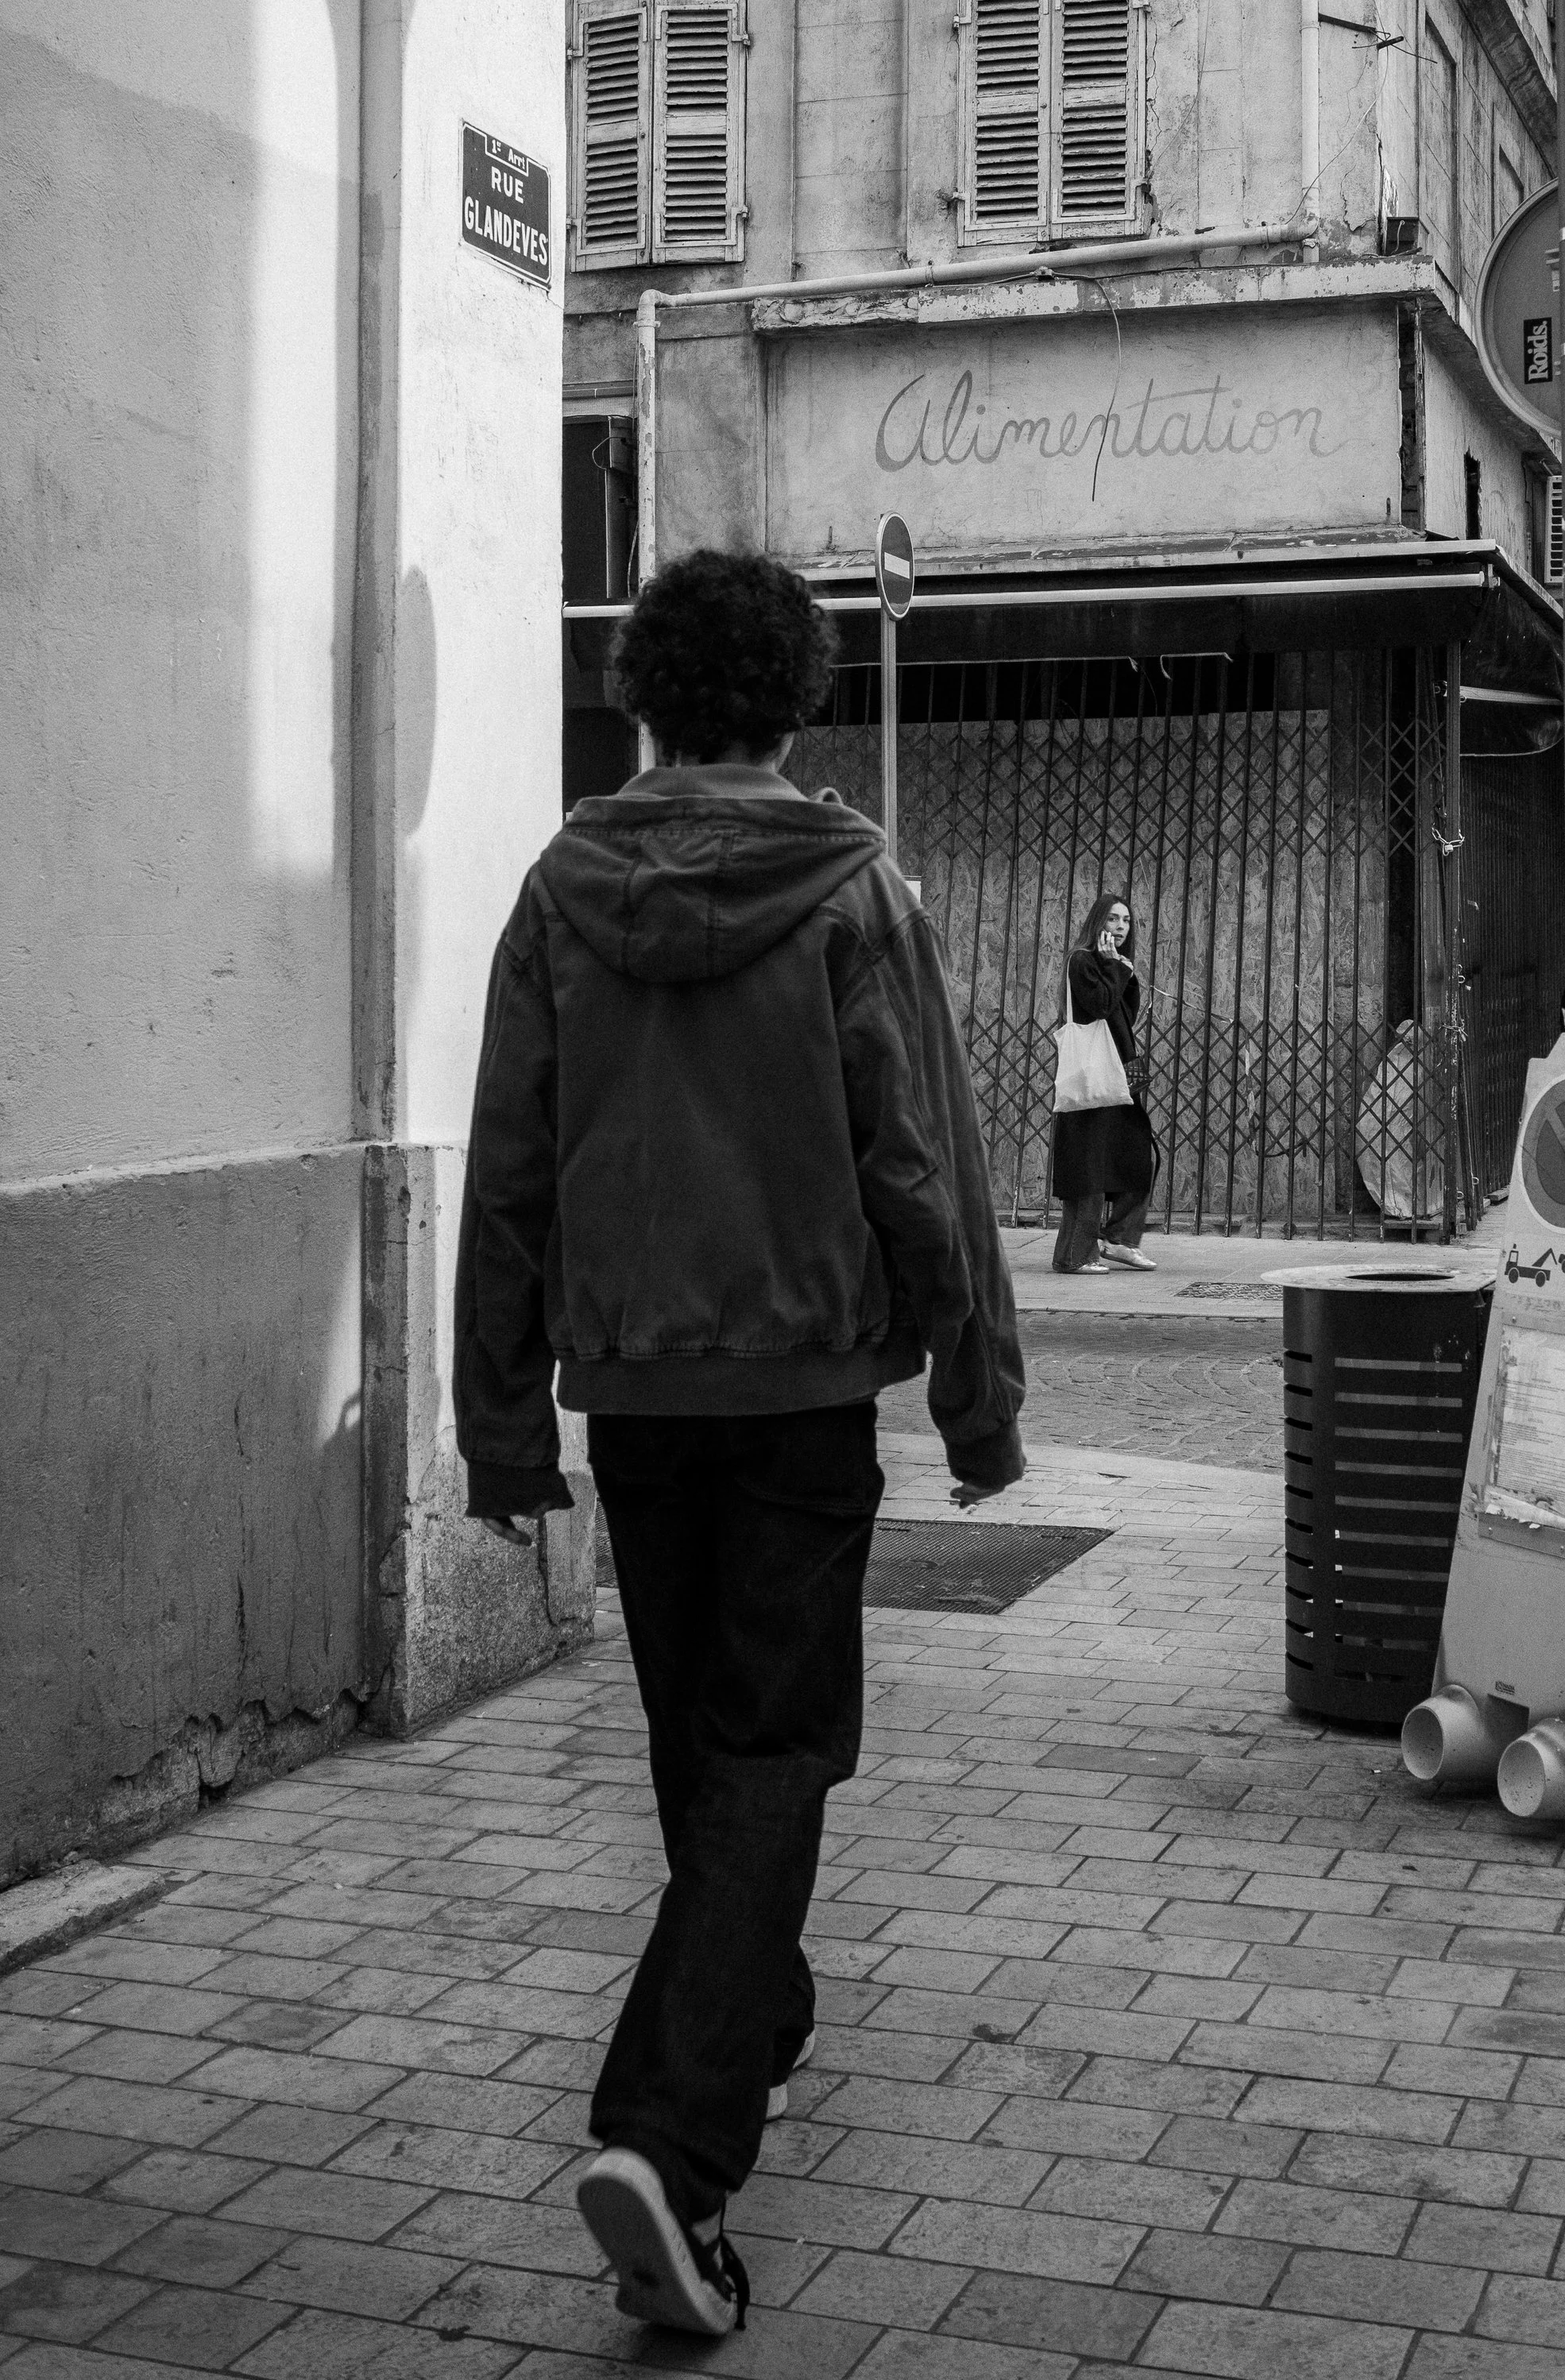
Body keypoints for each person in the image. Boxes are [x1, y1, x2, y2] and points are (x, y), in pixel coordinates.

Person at [452, 550, 1026, 2338]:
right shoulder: (852, 887)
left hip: (634, 1392)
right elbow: (920, 1154)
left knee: (695, 1726)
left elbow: (510, 1166)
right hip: (794, 1390)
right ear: (794, 695)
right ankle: (669, 2145)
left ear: (642, 696)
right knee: (775, 1741)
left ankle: (755, 2025)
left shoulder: (559, 890)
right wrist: (975, 1392)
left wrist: (497, 1420)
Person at [1050, 892, 1157, 1273]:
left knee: (1136, 1157)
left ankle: (1120, 1239)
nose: (1120, 927)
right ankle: (1075, 1254)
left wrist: (1122, 970)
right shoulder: (1081, 961)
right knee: (1089, 1165)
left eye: (1126, 921)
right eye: (1112, 919)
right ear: (1098, 923)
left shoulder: (1117, 964)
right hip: (1093, 1077)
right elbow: (1097, 1005)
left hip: (1119, 1074)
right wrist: (1115, 969)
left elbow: (1122, 1012)